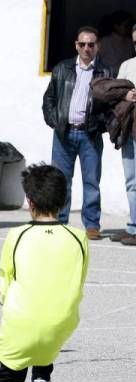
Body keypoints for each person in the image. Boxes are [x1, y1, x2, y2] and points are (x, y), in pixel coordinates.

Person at [0, 164, 89, 382]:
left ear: (29, 202)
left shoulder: (16, 235)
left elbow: (5, 284)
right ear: (64, 200)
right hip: (60, 333)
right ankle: (42, 378)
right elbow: (76, 282)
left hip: (22, 331)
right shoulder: (80, 238)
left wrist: (1, 295)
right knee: (42, 318)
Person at [42, 26, 112, 240]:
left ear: (97, 46)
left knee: (91, 181)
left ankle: (92, 225)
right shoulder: (62, 68)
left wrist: (100, 126)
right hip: (64, 134)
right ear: (76, 45)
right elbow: (49, 99)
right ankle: (61, 221)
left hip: (90, 135)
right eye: (82, 44)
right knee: (62, 180)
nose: (86, 48)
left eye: (91, 44)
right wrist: (55, 121)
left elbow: (111, 106)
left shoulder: (106, 73)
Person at [114, 26, 136, 246]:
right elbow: (115, 94)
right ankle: (134, 226)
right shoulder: (127, 65)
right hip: (131, 131)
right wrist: (126, 95)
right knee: (132, 182)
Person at [98, 10, 134, 77]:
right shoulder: (105, 41)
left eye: (130, 26)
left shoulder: (130, 42)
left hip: (126, 79)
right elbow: (95, 61)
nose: (128, 28)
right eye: (126, 26)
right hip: (108, 79)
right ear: (116, 26)